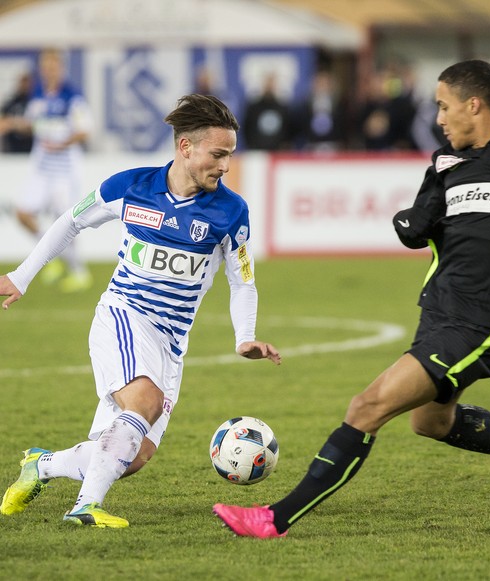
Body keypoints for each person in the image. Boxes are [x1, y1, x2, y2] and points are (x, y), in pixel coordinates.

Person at [213, 60, 490, 538]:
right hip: (439, 313)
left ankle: (274, 519)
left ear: (475, 104)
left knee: (367, 406)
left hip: (483, 321)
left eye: (445, 107)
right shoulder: (447, 164)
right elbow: (415, 228)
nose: (440, 118)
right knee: (430, 422)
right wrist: (415, 217)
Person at [0, 93, 281, 528]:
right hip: (124, 316)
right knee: (144, 401)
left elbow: (243, 280)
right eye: (218, 154)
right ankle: (84, 507)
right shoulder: (130, 187)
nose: (225, 165)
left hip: (172, 342)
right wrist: (22, 275)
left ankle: (43, 464)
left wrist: (244, 336)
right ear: (186, 147)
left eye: (230, 155)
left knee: (133, 457)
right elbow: (70, 219)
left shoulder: (231, 212)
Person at [2, 48, 94, 293]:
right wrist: (11, 123)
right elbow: (33, 126)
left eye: (53, 67)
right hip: (41, 168)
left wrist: (64, 142)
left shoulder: (72, 96)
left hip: (64, 171)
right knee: (22, 213)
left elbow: (85, 129)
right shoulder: (38, 95)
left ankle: (79, 272)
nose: (48, 71)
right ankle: (52, 254)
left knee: (66, 222)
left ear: (60, 68)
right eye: (45, 67)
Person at [242, 73, 291, 151]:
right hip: (257, 151)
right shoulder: (253, 108)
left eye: (272, 84)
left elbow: (288, 129)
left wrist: (285, 145)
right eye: (267, 84)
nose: (269, 87)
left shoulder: (283, 108)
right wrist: (251, 145)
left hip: (277, 151)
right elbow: (247, 128)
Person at [0, 71, 33, 153]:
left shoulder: (35, 102)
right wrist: (15, 124)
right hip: (12, 149)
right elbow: (2, 123)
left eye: (27, 82)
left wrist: (15, 124)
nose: (25, 85)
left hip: (31, 150)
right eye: (23, 82)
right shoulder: (11, 102)